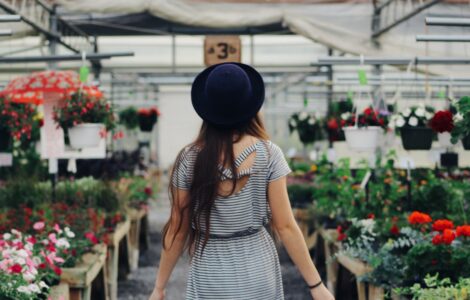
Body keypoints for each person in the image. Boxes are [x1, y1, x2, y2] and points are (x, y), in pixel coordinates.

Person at [150, 63, 334, 300]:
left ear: (207, 108)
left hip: (210, 273)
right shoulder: (269, 154)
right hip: (258, 269)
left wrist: (159, 287)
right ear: (250, 107)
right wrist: (316, 285)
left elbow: (177, 229)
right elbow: (285, 226)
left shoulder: (190, 158)